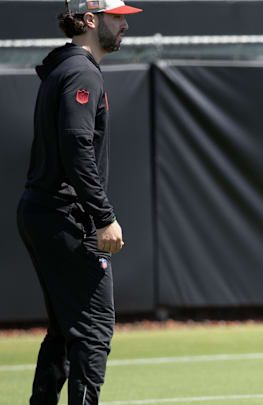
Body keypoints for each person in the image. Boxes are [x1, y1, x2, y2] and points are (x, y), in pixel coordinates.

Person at [16, 0, 142, 403]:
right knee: (92, 328)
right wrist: (103, 216)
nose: (123, 25)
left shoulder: (68, 67)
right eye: (116, 17)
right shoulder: (80, 70)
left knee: (66, 330)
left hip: (46, 212)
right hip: (63, 216)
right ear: (91, 20)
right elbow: (76, 145)